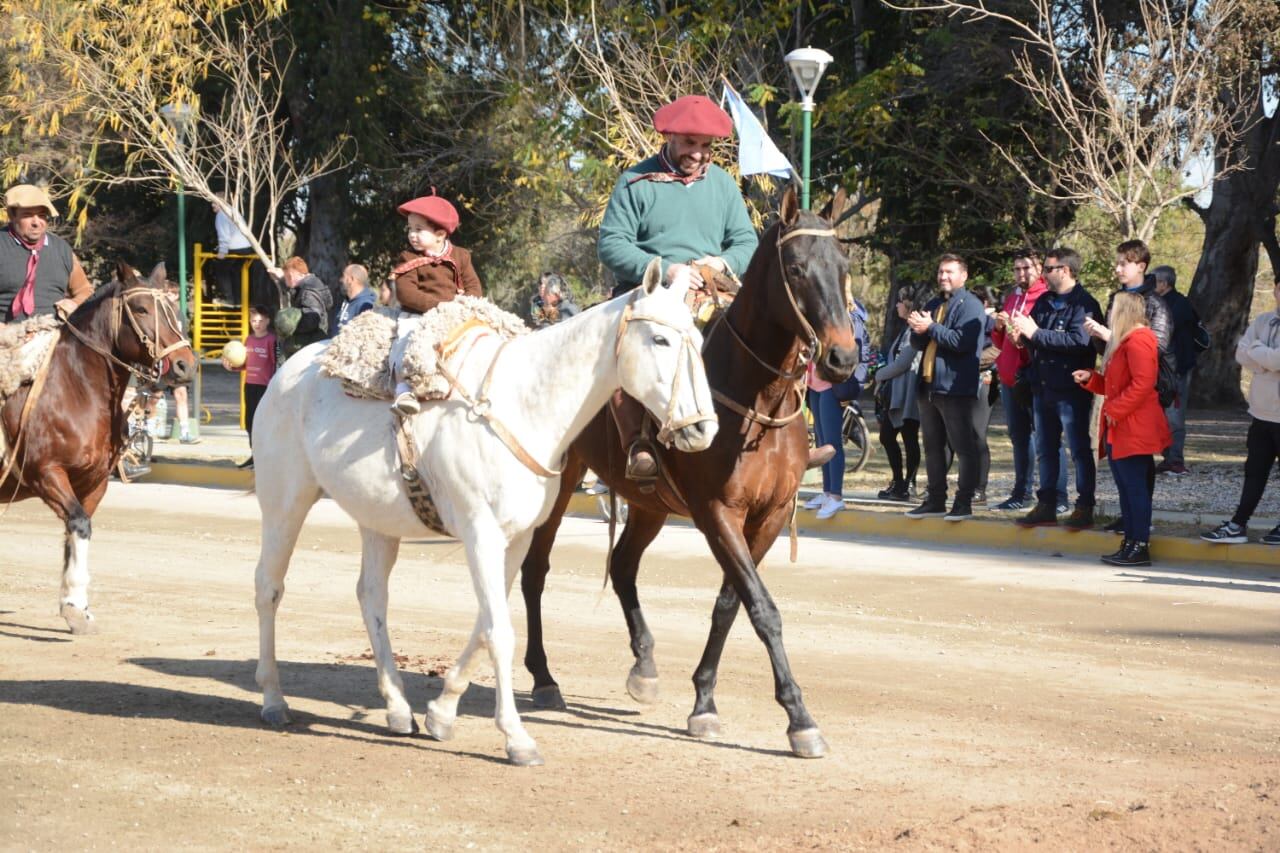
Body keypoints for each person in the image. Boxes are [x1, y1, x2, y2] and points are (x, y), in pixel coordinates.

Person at [597, 94, 759, 483]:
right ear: (669, 137)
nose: (699, 154)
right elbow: (611, 244)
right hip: (650, 292)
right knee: (623, 350)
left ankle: (771, 437)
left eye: (706, 146)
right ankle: (639, 444)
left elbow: (746, 242)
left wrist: (722, 263)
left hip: (712, 291)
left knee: (759, 339)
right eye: (690, 143)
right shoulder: (635, 182)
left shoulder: (722, 184)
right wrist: (666, 270)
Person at [1009, 247, 1104, 530]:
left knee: (1078, 450)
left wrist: (1035, 333)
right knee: (1046, 449)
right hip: (1042, 386)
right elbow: (1038, 338)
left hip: (1071, 389)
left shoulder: (1084, 304)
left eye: (1049, 269)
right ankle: (1046, 504)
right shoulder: (1045, 301)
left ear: (1065, 270)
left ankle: (1084, 506)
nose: (1044, 274)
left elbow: (1079, 342)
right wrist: (1023, 337)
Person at [1085, 239, 1174, 534]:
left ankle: (1138, 533)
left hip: (1141, 401)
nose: (1118, 268)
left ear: (1141, 266)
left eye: (1124, 262)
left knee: (1136, 469)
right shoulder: (1117, 298)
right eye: (1117, 262)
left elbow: (1153, 349)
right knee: (1125, 473)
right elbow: (1111, 353)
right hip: (1120, 393)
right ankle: (1132, 524)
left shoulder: (1155, 302)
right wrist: (1099, 336)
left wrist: (1111, 335)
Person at [1073, 292, 1169, 566]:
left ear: (1125, 310)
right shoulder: (1125, 341)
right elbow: (1118, 384)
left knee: (1135, 488)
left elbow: (1143, 382)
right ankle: (1131, 541)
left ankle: (1139, 545)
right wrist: (1092, 379)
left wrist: (1115, 410)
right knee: (1127, 488)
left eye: (1114, 307)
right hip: (1121, 425)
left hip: (1133, 427)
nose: (1110, 313)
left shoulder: (1139, 339)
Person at [905, 253, 986, 521]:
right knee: (932, 447)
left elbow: (961, 342)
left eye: (949, 272)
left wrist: (931, 327)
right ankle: (935, 499)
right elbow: (920, 343)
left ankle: (963, 503)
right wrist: (917, 331)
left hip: (954, 387)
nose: (943, 277)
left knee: (964, 447)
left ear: (963, 275)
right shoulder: (933, 303)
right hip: (927, 385)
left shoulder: (971, 305)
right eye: (941, 272)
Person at [388, 191, 483, 415]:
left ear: (440, 234)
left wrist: (461, 307)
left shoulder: (460, 256)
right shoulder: (408, 258)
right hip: (418, 316)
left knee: (478, 339)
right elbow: (406, 293)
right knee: (406, 341)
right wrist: (439, 307)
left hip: (455, 315)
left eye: (419, 229)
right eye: (410, 229)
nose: (412, 235)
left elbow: (474, 288)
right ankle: (404, 389)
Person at [1201, 279, 1280, 546]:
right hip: (1260, 413)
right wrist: (1264, 360)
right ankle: (1238, 524)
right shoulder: (1263, 320)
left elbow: (1273, 359)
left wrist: (1260, 353)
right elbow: (1240, 355)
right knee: (1254, 472)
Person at [990, 249, 1067, 512]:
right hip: (1011, 378)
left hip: (1037, 378)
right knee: (1019, 437)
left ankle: (1058, 496)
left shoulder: (1047, 298)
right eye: (1017, 269)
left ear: (1040, 269)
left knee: (1049, 439)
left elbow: (1042, 339)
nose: (1021, 273)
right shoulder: (1013, 297)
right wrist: (999, 328)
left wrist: (1023, 339)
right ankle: (1020, 492)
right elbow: (1002, 342)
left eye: (1027, 268)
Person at [1, 184, 94, 322]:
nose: (36, 222)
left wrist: (74, 303)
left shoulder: (61, 249)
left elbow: (85, 291)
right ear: (12, 216)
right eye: (28, 215)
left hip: (53, 335)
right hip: (7, 337)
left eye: (42, 215)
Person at [873, 284, 923, 501]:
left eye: (900, 302)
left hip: (908, 394)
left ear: (909, 304)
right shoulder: (904, 329)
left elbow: (902, 363)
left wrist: (878, 375)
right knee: (887, 437)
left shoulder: (915, 331)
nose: (897, 305)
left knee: (909, 437)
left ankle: (908, 484)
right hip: (897, 394)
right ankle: (899, 481)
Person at [1151, 265, 1197, 475]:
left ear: (1164, 283)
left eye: (1155, 281)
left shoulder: (1179, 305)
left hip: (1176, 368)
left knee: (1174, 415)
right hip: (1162, 368)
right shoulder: (1163, 303)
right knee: (1160, 415)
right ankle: (1168, 456)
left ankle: (1175, 459)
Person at [221, 305, 277, 469]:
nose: (257, 324)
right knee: (249, 422)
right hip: (250, 385)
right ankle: (255, 455)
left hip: (265, 387)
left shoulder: (272, 340)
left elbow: (275, 363)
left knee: (264, 423)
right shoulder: (249, 340)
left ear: (267, 321)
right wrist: (232, 367)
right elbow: (245, 363)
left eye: (260, 320)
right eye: (254, 320)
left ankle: (266, 456)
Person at [269, 256, 332, 356]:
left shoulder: (308, 293)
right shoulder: (309, 286)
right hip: (312, 342)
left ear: (293, 275)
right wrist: (281, 278)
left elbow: (312, 320)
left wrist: (291, 325)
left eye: (286, 277)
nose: (285, 280)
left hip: (309, 345)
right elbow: (294, 290)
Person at [211, 206, 253, 305]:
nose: (212, 205)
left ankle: (228, 297)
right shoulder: (234, 212)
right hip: (247, 247)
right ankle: (238, 299)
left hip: (235, 248)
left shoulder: (221, 214)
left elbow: (224, 235)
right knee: (235, 272)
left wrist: (222, 252)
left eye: (214, 202)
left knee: (221, 269)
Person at [334, 264, 375, 332]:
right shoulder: (344, 300)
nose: (340, 280)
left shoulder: (366, 306)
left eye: (343, 276)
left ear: (351, 279)